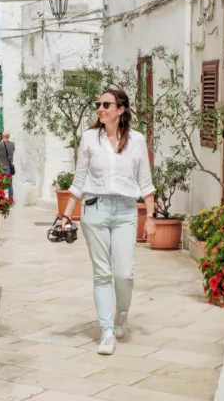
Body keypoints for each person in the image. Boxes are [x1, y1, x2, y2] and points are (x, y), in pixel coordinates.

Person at [58, 89, 156, 356]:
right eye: (98, 104)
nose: (100, 109)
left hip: (125, 211)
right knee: (102, 274)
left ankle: (121, 314)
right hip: (95, 209)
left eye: (106, 104)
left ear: (121, 109)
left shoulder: (136, 140)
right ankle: (107, 330)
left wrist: (150, 217)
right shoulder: (90, 137)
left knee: (125, 273)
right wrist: (65, 215)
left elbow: (145, 183)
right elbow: (78, 182)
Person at [0, 131, 15, 199]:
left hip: (0, 168)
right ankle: (10, 200)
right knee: (10, 185)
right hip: (9, 168)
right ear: (8, 137)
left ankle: (0, 200)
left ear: (2, 136)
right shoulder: (12, 144)